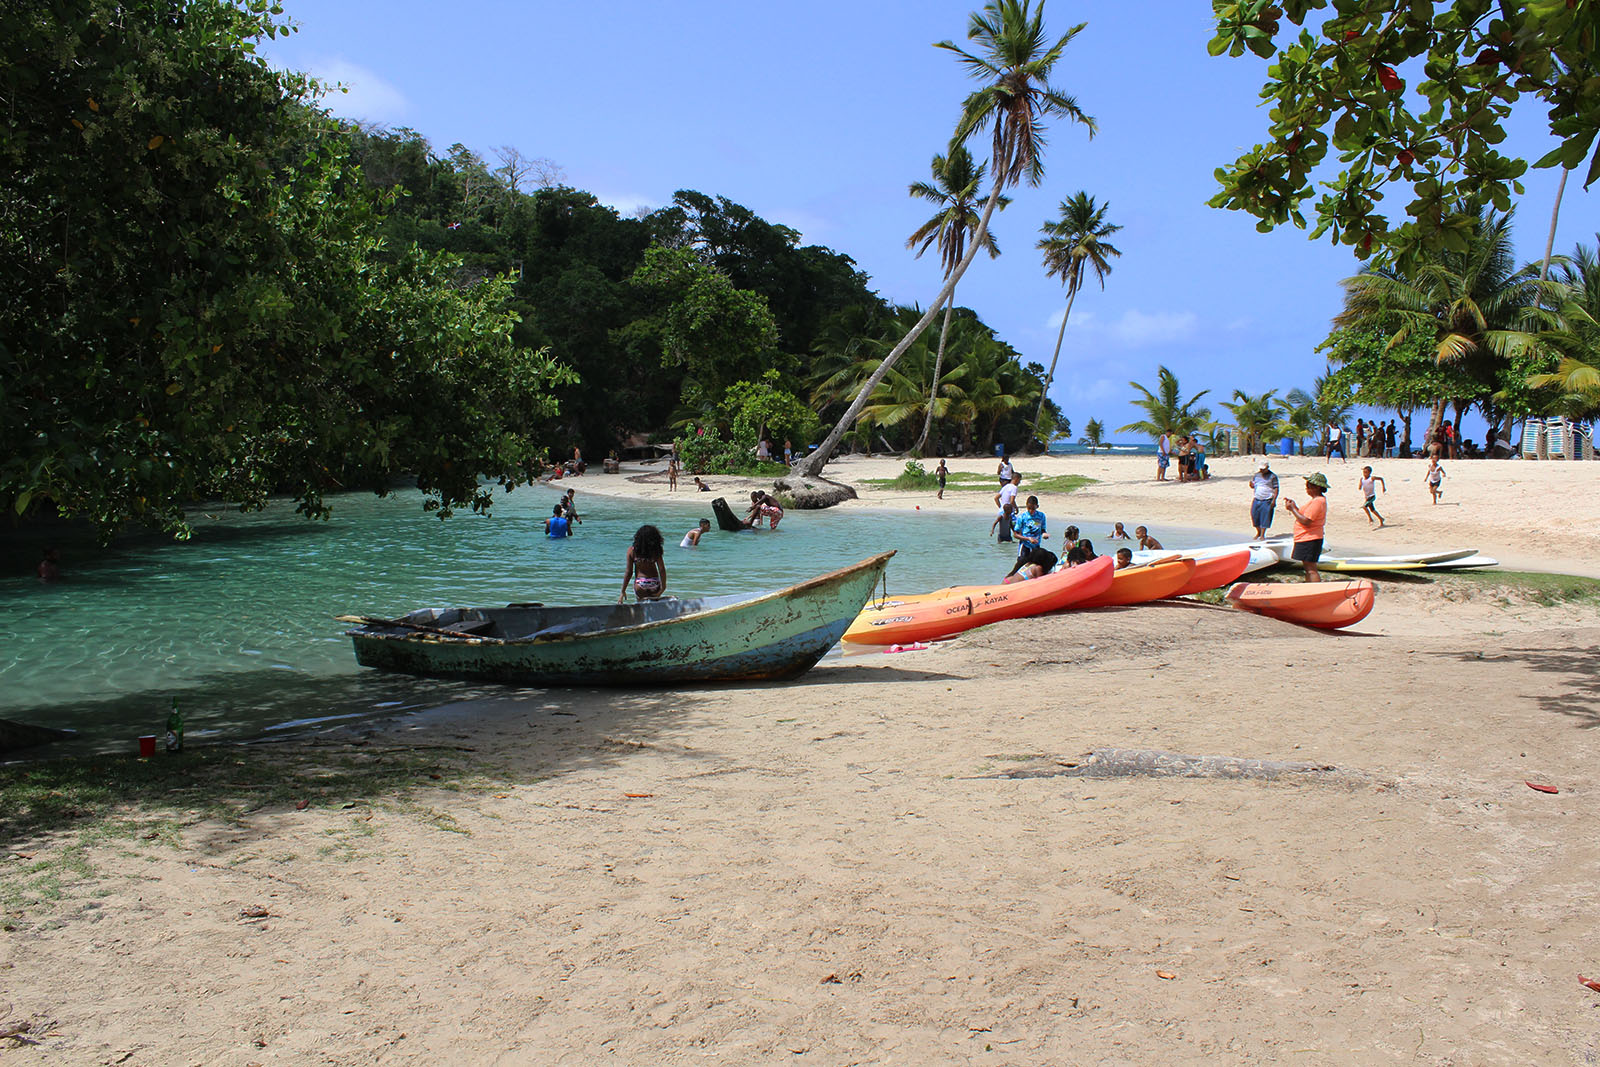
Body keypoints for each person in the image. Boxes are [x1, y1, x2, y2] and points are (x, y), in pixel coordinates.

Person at [1284, 472, 1329, 582]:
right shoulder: (1316, 501)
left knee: (1310, 568)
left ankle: (1315, 591)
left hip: (1310, 538)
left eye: (1308, 487)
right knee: (1308, 568)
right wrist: (1294, 507)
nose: (1306, 489)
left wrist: (1293, 509)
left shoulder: (1318, 502)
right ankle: (1311, 588)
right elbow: (1305, 516)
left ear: (1316, 487)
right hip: (1307, 537)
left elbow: (1306, 521)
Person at [619, 525, 667, 602]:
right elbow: (661, 570)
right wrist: (663, 587)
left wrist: (623, 591)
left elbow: (629, 572)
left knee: (641, 606)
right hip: (654, 583)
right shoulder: (656, 551)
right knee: (653, 604)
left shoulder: (632, 551)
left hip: (640, 584)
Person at [1249, 460, 1280, 540]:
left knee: (1265, 517)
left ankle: (1263, 534)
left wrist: (1274, 500)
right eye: (1261, 469)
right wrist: (1251, 485)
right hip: (1257, 498)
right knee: (1254, 516)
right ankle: (1258, 532)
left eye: (1263, 469)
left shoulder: (1272, 476)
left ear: (1267, 468)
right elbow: (1253, 485)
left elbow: (1276, 488)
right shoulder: (1256, 475)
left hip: (1267, 499)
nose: (1262, 470)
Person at [992, 471, 1021, 542]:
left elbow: (996, 498)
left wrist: (1001, 507)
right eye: (1019, 480)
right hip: (1009, 511)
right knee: (1017, 527)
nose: (1019, 482)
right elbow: (1011, 501)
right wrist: (1016, 508)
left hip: (1002, 511)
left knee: (1003, 530)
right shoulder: (1014, 488)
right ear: (1016, 479)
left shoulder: (1006, 486)